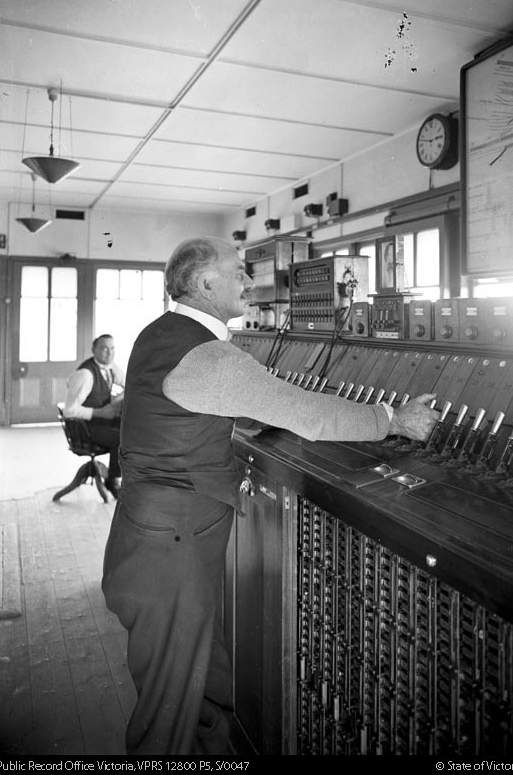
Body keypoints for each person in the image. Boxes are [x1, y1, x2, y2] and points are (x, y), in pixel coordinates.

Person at [101, 237, 439, 756]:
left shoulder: (159, 332)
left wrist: (256, 408)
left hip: (154, 534)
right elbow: (309, 414)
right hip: (172, 546)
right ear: (206, 284)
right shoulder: (210, 355)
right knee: (169, 706)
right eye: (237, 272)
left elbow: (204, 404)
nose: (248, 281)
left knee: (200, 674)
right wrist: (394, 419)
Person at [63, 333, 125, 499]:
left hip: (102, 423)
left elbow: (130, 383)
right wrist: (101, 412)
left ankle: (127, 477)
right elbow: (69, 411)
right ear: (94, 350)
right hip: (86, 430)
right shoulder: (86, 374)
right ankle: (113, 479)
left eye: (112, 348)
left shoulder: (111, 368)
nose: (109, 353)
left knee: (130, 428)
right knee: (122, 438)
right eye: (104, 349)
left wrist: (116, 400)